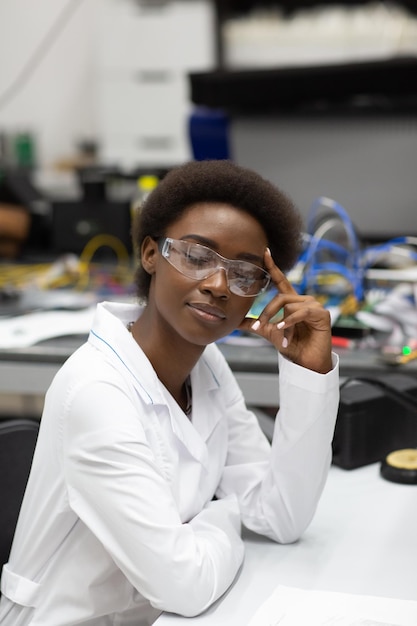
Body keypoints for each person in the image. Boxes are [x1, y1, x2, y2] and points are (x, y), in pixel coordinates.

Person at [0, 160, 339, 626]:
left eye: (245, 273)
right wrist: (225, 517)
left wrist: (309, 375)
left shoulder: (207, 367)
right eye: (197, 257)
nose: (219, 285)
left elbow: (281, 516)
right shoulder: (97, 392)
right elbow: (183, 585)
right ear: (150, 254)